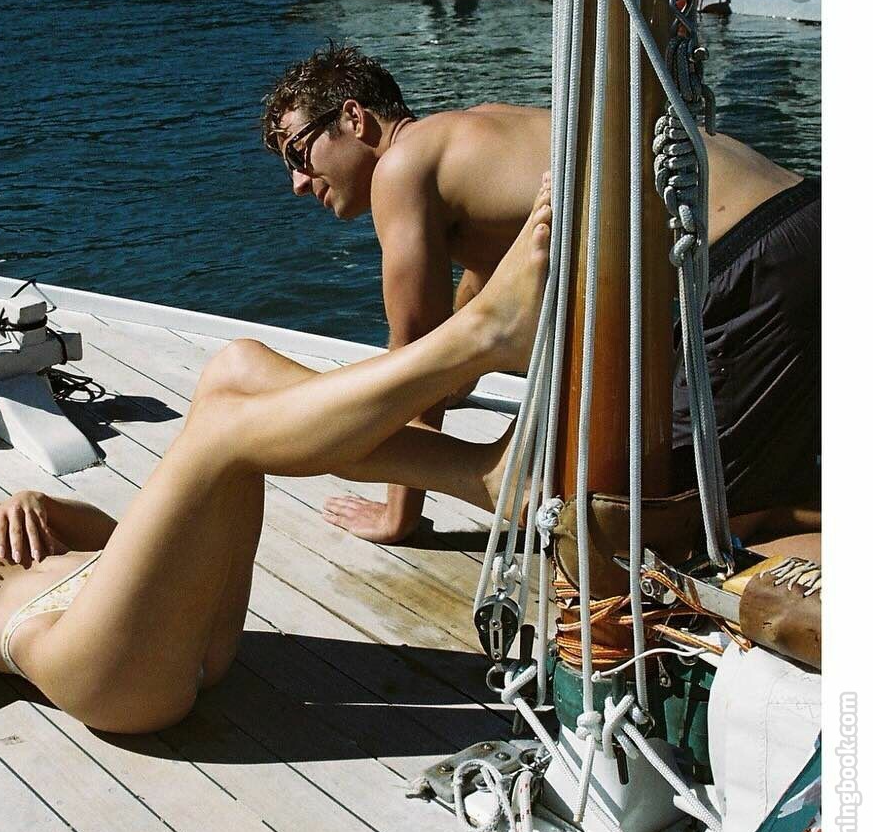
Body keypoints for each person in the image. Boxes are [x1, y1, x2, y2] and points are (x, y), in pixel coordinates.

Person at [0, 182, 557, 736]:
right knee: (221, 436)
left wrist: (47, 507)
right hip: (88, 662)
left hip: (161, 622)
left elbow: (119, 540)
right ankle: (479, 336)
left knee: (237, 368)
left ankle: (486, 477)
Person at [260, 43, 820, 545]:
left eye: (297, 154)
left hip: (756, 261)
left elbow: (414, 358)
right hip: (801, 218)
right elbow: (481, 287)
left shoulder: (401, 169)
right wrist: (461, 379)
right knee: (764, 468)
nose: (298, 184)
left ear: (354, 118)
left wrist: (398, 516)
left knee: (663, 516)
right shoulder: (467, 135)